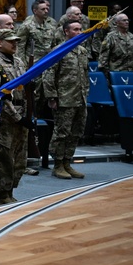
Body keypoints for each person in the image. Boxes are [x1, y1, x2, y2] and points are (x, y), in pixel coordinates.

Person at [43, 21, 89, 180]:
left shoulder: (82, 51)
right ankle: (57, 165)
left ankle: (67, 162)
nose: (79, 32)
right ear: (66, 32)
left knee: (76, 132)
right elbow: (48, 75)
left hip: (80, 99)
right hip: (64, 99)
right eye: (75, 29)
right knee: (62, 133)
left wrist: (86, 94)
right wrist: (51, 97)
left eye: (80, 29)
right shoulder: (59, 50)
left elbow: (85, 76)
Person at [0, 28, 30, 202]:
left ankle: (11, 190)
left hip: (22, 112)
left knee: (20, 156)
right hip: (6, 115)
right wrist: (17, 117)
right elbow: (0, 96)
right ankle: (2, 194)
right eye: (10, 41)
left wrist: (26, 115)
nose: (15, 44)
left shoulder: (19, 61)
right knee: (5, 156)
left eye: (16, 41)